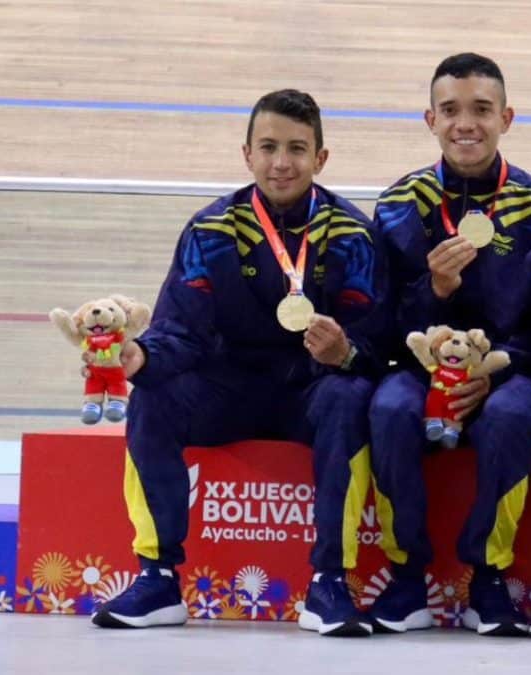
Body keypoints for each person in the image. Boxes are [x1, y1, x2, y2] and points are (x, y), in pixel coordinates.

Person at [90, 89, 390, 638]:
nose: (282, 162)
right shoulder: (211, 230)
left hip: (311, 391)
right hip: (225, 391)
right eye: (269, 147)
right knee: (153, 394)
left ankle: (329, 583)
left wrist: (345, 352)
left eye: (297, 148)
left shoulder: (353, 235)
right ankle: (157, 577)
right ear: (246, 154)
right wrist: (141, 355)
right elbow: (181, 330)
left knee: (351, 396)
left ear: (321, 159)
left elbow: (378, 343)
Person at [367, 53, 531, 637]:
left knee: (510, 417)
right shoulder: (399, 204)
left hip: (507, 372)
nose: (466, 124)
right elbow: (382, 324)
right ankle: (406, 576)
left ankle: (488, 576)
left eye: (481, 110)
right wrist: (436, 291)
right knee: (389, 408)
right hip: (421, 371)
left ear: (507, 116)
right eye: (451, 111)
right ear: (431, 119)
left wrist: (497, 373)